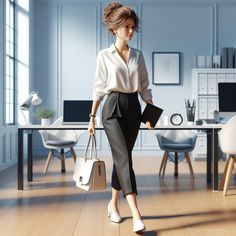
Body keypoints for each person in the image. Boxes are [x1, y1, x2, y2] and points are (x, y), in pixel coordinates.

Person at [88, 2, 153, 233]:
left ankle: (113, 204)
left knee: (121, 158)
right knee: (124, 157)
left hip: (133, 108)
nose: (131, 31)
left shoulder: (138, 56)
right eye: (126, 27)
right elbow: (99, 88)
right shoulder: (104, 56)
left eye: (133, 27)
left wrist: (151, 112)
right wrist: (92, 117)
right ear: (115, 28)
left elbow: (144, 87)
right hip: (112, 108)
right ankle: (136, 213)